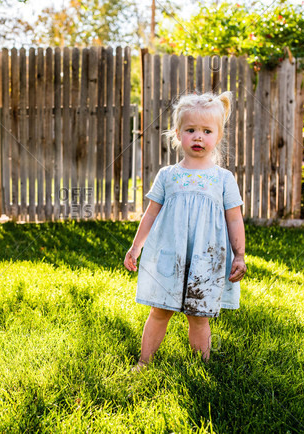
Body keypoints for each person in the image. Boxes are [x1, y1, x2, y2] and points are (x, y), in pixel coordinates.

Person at [124, 91, 246, 370]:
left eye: (206, 131)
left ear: (218, 135)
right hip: (170, 256)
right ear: (178, 134)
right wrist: (136, 247)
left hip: (207, 257)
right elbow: (151, 213)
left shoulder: (223, 179)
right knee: (160, 311)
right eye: (191, 130)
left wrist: (239, 254)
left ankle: (200, 367)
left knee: (199, 316)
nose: (198, 137)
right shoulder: (168, 175)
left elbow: (235, 219)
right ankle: (144, 361)